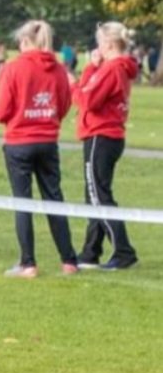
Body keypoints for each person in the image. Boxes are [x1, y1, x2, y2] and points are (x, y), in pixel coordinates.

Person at [0, 20, 78, 277]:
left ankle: (28, 263)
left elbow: (1, 111)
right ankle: (69, 261)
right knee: (54, 199)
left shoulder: (13, 68)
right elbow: (65, 103)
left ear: (26, 41)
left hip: (19, 141)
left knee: (23, 201)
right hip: (48, 140)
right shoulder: (59, 69)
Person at [72, 21, 139, 270]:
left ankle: (123, 250)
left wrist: (78, 80)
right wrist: (91, 68)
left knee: (99, 195)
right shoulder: (114, 68)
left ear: (109, 44)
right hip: (107, 135)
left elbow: (87, 99)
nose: (97, 47)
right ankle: (91, 250)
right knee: (94, 194)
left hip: (101, 135)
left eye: (99, 42)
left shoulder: (111, 69)